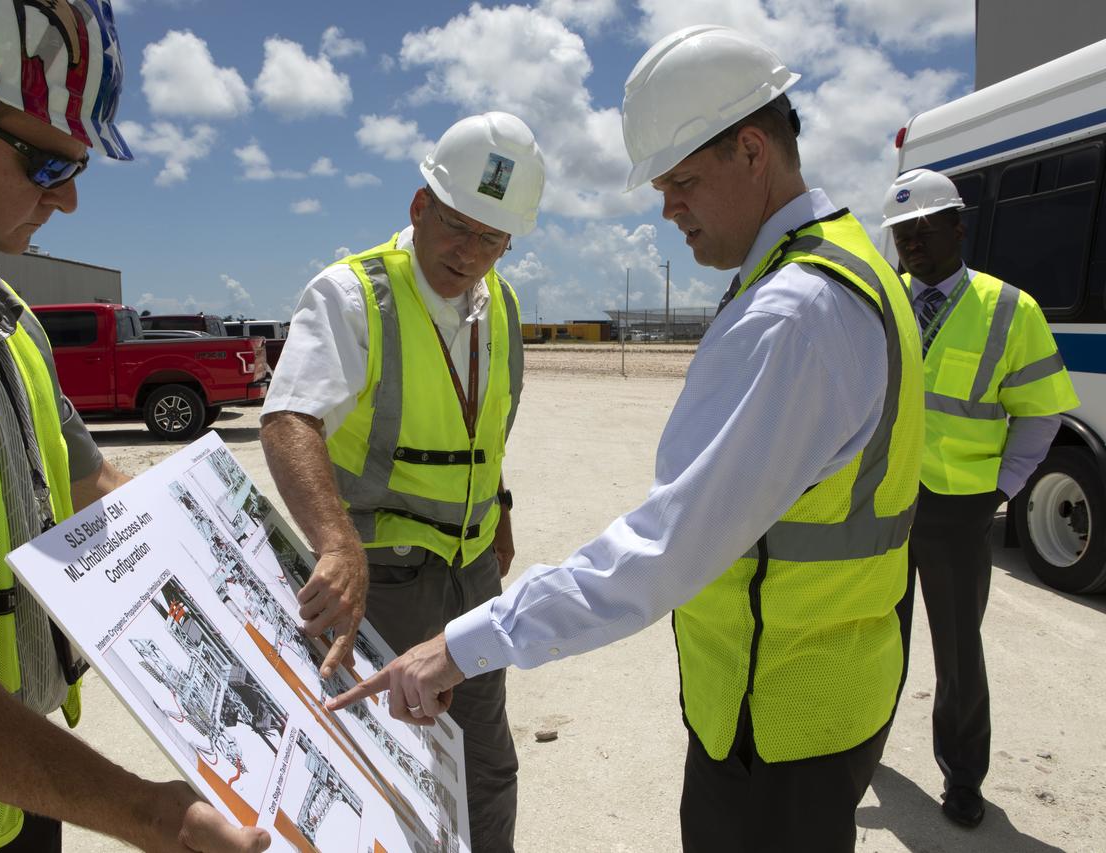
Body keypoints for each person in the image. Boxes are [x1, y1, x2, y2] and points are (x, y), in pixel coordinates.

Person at [330, 25, 925, 852]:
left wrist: (462, 646)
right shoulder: (849, 262)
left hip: (778, 716)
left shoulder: (796, 312)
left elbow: (662, 550)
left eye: (682, 179)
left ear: (753, 151)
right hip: (826, 689)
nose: (666, 206)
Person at [0, 2, 269, 850]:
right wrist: (148, 812)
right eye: (47, 165)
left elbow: (87, 483)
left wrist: (256, 593)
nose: (66, 201)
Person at [259, 111, 543, 852]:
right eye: (457, 225)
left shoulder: (502, 306)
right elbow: (290, 418)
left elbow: (479, 423)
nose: (470, 251)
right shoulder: (354, 295)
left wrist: (500, 506)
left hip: (471, 574)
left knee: (486, 762)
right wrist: (334, 540)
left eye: (492, 237)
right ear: (420, 206)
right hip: (380, 582)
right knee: (377, 768)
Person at [883, 168, 1079, 828]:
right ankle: (861, 750)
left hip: (957, 507)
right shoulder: (884, 300)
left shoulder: (1008, 309)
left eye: (923, 227)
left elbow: (1041, 411)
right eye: (900, 231)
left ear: (957, 228)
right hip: (882, 500)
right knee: (876, 634)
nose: (910, 241)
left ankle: (963, 776)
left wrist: (1003, 486)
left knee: (958, 651)